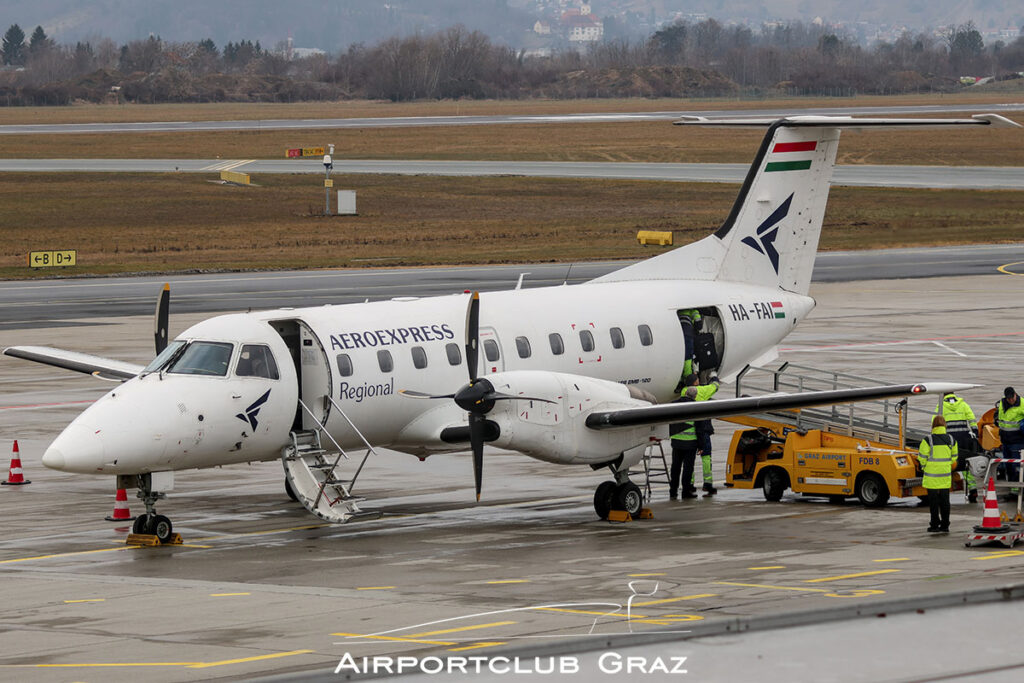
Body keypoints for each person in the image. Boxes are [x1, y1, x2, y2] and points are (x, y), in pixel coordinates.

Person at [669, 374, 719, 500]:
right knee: (702, 459)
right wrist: (714, 378)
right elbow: (715, 387)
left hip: (677, 441)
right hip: (694, 439)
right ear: (696, 384)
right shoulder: (700, 393)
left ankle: (677, 490)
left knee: (676, 467)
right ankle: (707, 484)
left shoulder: (683, 392)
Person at [936, 391, 978, 502]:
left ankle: (945, 491)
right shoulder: (963, 404)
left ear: (944, 396)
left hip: (949, 440)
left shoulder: (941, 406)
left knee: (948, 464)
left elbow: (936, 422)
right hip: (964, 438)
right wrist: (975, 432)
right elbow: (972, 419)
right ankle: (973, 489)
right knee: (966, 464)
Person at [918, 415, 958, 533]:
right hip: (945, 475)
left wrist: (925, 467)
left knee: (933, 502)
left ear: (933, 425)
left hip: (931, 476)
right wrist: (946, 465)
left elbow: (922, 457)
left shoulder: (928, 440)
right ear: (944, 425)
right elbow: (954, 457)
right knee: (945, 501)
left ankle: (934, 524)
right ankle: (945, 525)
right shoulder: (951, 439)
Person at [995, 387, 1024, 483]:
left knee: (1016, 466)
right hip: (1005, 440)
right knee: (1008, 465)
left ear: (1015, 394)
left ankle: (1017, 490)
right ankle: (1012, 487)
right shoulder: (1002, 404)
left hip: (1017, 441)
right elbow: (1000, 418)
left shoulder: (1022, 404)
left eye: (1012, 398)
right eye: (1009, 398)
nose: (1011, 400)